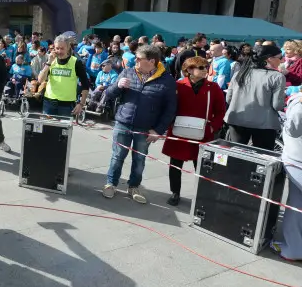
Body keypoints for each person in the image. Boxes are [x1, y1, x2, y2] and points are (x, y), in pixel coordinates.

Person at [102, 44, 177, 204]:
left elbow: (170, 109)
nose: (134, 60)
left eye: (138, 58)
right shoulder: (128, 72)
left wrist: (158, 130)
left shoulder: (167, 80)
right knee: (117, 157)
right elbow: (108, 94)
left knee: (139, 160)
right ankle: (111, 183)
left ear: (151, 61)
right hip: (123, 123)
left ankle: (133, 186)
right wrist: (117, 85)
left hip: (145, 128)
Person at [162, 56, 226, 206]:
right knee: (175, 165)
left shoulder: (213, 87)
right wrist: (169, 123)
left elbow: (221, 111)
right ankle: (175, 193)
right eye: (202, 68)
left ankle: (202, 195)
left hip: (203, 133)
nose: (206, 71)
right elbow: (169, 107)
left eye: (207, 67)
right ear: (189, 70)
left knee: (203, 167)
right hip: (179, 131)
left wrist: (212, 127)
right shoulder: (179, 85)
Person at [224, 44, 286, 150]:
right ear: (269, 59)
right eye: (280, 57)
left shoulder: (240, 73)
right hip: (264, 123)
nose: (283, 60)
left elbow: (228, 99)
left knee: (236, 155)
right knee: (262, 159)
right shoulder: (277, 77)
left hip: (237, 119)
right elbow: (277, 105)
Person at [271, 90, 302, 260]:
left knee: (295, 205)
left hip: (297, 160)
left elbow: (293, 130)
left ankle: (294, 248)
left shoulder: (298, 104)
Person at [37, 34, 92, 117]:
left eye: (62, 48)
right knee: (47, 129)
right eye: (57, 48)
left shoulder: (76, 62)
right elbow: (40, 80)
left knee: (63, 130)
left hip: (67, 105)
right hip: (49, 102)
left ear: (68, 48)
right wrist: (48, 63)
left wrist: (81, 104)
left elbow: (85, 85)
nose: (59, 51)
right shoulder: (50, 61)